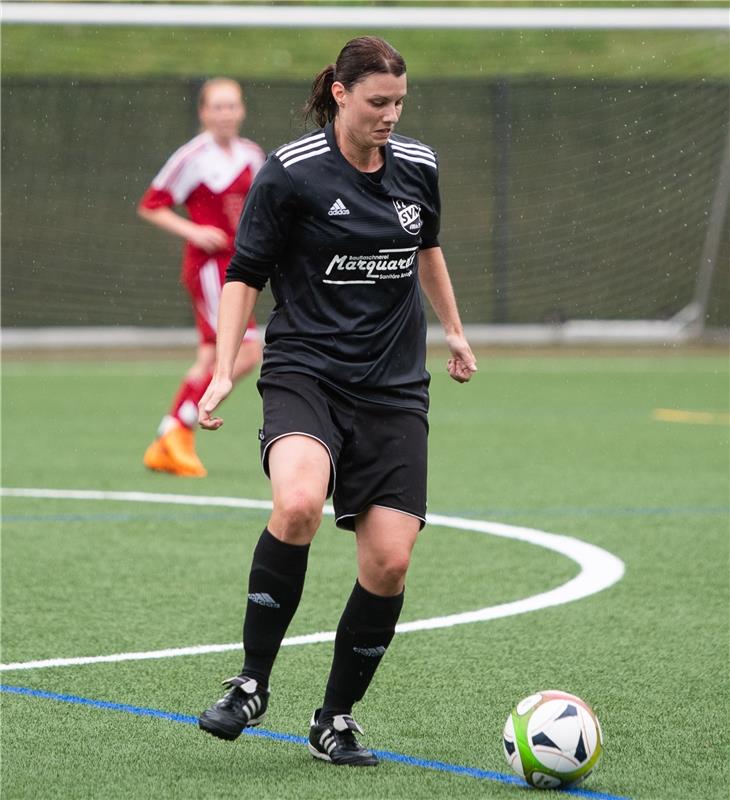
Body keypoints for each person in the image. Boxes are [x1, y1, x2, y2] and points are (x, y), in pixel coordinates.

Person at [197, 37, 477, 765]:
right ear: (342, 95)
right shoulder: (289, 174)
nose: (391, 115)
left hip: (392, 390)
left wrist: (453, 329)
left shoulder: (418, 166)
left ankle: (335, 719)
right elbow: (243, 273)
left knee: (388, 563)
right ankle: (251, 682)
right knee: (296, 504)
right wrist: (225, 368)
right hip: (306, 374)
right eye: (378, 102)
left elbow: (428, 249)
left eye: (400, 103)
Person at [138, 78, 264, 477]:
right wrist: (193, 231)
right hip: (211, 269)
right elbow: (151, 205)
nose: (225, 114)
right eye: (218, 107)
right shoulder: (192, 156)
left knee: (210, 357)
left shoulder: (252, 154)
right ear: (203, 112)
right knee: (247, 351)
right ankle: (177, 428)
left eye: (232, 106)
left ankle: (169, 440)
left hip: (240, 267)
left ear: (242, 110)